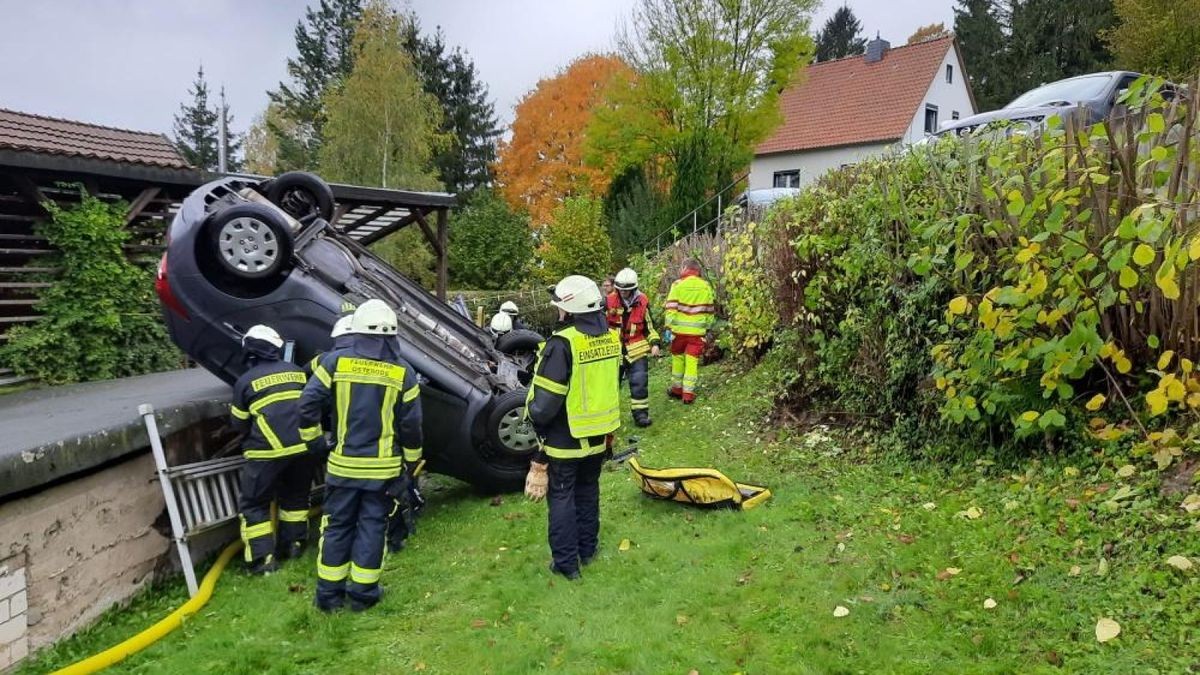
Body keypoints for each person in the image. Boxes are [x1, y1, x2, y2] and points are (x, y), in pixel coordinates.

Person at [299, 299, 423, 612]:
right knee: (372, 527)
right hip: (382, 472)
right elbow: (411, 426)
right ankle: (363, 595)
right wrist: (412, 463)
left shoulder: (334, 363)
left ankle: (328, 597)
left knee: (337, 526)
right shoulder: (403, 373)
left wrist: (314, 441)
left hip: (341, 468)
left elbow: (307, 404)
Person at [524, 275, 622, 581]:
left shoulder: (562, 344)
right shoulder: (611, 337)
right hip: (598, 435)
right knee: (588, 491)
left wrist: (532, 415)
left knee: (563, 496)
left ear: (569, 310)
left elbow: (545, 404)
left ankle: (566, 564)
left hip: (566, 438)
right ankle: (587, 550)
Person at [230, 324, 315, 575]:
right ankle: (295, 546)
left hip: (266, 454)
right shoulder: (298, 373)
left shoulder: (245, 382)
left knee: (255, 505)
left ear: (250, 352)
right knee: (296, 498)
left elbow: (239, 423)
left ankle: (262, 560)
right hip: (303, 450)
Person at [606, 267, 660, 427]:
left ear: (633, 288)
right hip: (613, 350)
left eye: (626, 290)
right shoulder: (608, 301)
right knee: (609, 384)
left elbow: (649, 328)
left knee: (639, 382)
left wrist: (655, 344)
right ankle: (608, 416)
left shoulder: (642, 301)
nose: (622, 292)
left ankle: (641, 415)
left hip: (636, 349)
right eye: (620, 289)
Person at [664, 258, 716, 404]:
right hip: (697, 333)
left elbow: (671, 307)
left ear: (685, 268)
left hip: (678, 331)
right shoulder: (705, 286)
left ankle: (676, 389)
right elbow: (710, 309)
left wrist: (668, 327)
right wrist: (707, 327)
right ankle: (688, 394)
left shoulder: (677, 285)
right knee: (692, 362)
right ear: (697, 270)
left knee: (678, 359)